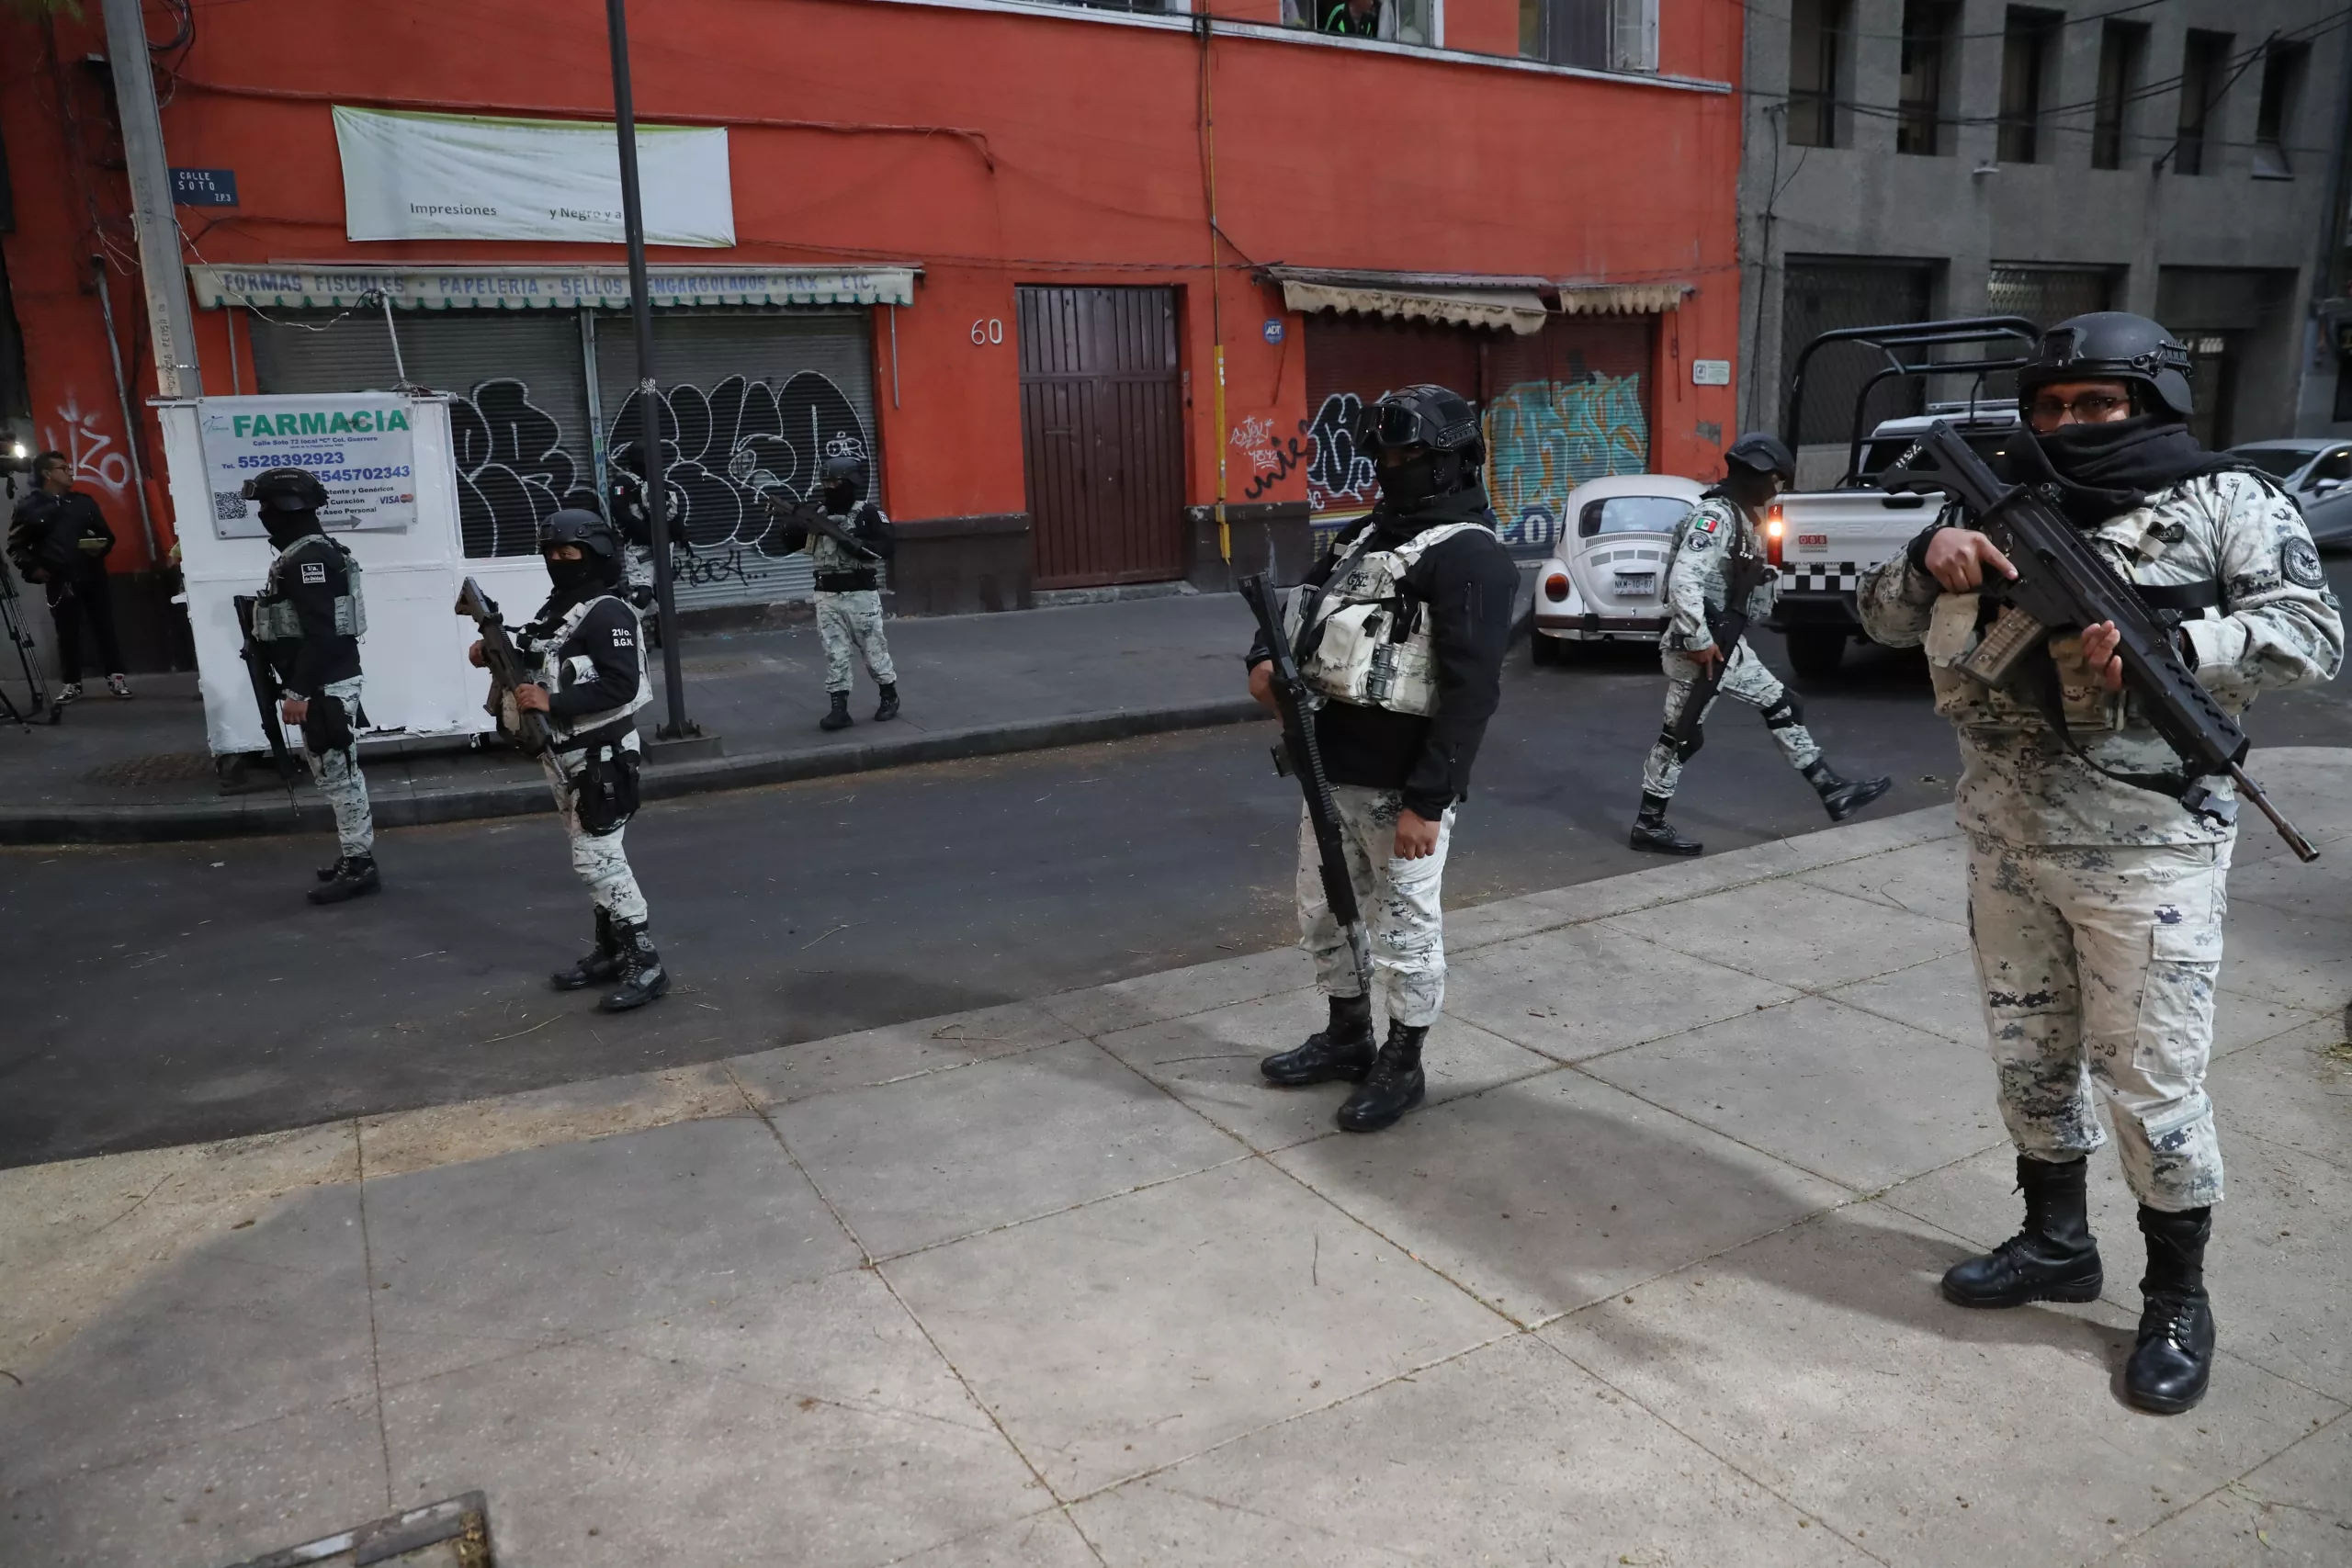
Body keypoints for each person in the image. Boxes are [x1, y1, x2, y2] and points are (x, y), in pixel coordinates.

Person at [1856, 311, 2344, 1415]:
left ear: (2150, 402)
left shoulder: (2227, 501)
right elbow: (1878, 620)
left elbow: (2314, 635)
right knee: (2029, 1058)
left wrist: (2183, 643)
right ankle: (2055, 1243)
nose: (2068, 423)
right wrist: (1923, 564)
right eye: (2049, 406)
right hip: (2006, 842)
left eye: (2096, 403)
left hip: (2150, 850)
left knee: (2152, 1085)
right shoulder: (1985, 502)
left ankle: (2175, 1297)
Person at [1247, 385, 1519, 1133]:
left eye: (1408, 456)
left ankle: (1403, 1061)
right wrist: (1262, 663)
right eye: (1385, 456)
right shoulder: (1362, 539)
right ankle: (1347, 1035)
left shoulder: (1471, 558)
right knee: (1323, 914)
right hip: (1326, 769)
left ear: (1451, 462)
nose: (1390, 467)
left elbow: (1471, 694)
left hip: (1403, 787)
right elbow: (1297, 612)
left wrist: (1429, 800)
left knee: (1404, 933)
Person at [1631, 432, 1890, 854]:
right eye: (1775, 480)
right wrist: (1698, 639)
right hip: (1702, 648)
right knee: (1681, 735)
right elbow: (1683, 580)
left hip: (1724, 642)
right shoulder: (1714, 517)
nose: (1776, 490)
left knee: (1780, 705)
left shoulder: (1738, 517)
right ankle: (1648, 823)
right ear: (1755, 474)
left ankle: (1832, 789)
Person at [472, 509, 670, 1012]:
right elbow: (539, 653)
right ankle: (610, 952)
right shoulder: (560, 606)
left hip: (602, 755)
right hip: (564, 754)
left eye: (569, 553)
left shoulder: (609, 612)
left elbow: (622, 685)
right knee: (593, 856)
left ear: (595, 554)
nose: (559, 561)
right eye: (552, 553)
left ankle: (645, 961)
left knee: (597, 858)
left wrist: (553, 702)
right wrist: (492, 651)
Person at [245, 468, 379, 904]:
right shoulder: (306, 552)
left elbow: (323, 634)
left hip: (326, 683)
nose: (262, 514)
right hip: (324, 681)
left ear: (287, 507)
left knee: (341, 776)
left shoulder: (309, 559)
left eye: (266, 505)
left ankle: (360, 865)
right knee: (334, 772)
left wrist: (298, 692)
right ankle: (353, 855)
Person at [780, 454, 899, 732]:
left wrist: (852, 542)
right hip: (827, 595)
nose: (830, 488)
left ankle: (889, 696)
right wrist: (794, 527)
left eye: (835, 483)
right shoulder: (816, 514)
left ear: (850, 483)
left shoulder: (868, 514)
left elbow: (886, 548)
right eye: (826, 483)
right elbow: (788, 543)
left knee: (873, 650)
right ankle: (839, 708)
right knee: (836, 653)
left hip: (861, 594)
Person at [6, 452, 129, 700]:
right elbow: (16, 545)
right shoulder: (29, 507)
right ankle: (72, 683)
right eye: (63, 468)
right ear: (47, 474)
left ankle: (116, 678)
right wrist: (33, 568)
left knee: (104, 628)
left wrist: (97, 547)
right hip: (60, 579)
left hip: (92, 575)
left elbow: (107, 536)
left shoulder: (84, 503)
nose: (69, 472)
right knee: (67, 633)